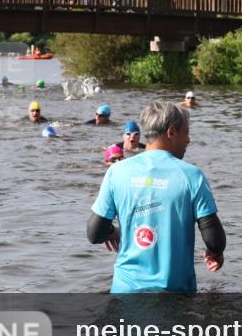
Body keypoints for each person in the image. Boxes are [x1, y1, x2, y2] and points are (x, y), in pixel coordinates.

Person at [87, 101, 226, 293]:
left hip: (125, 293)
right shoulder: (192, 176)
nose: (188, 140)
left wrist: (111, 231)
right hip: (175, 295)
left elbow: (94, 234)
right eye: (186, 132)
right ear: (171, 133)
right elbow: (214, 238)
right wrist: (216, 252)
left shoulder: (117, 172)